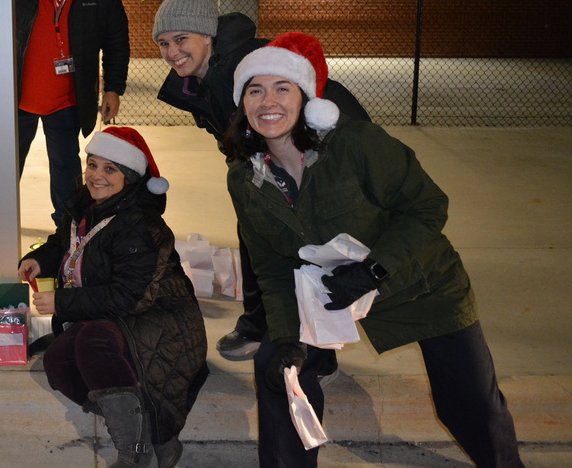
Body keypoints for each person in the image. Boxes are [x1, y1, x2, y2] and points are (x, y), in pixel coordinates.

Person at [224, 32, 524, 467]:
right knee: (278, 370)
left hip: (419, 284)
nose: (268, 101)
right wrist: (288, 339)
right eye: (255, 90)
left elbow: (426, 207)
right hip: (330, 292)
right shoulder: (245, 179)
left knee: (470, 403)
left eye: (281, 88)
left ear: (307, 99)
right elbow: (270, 266)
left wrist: (374, 271)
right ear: (243, 105)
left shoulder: (356, 143)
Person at [152, 0, 370, 362]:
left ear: (207, 36)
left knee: (300, 248)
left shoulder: (244, 68)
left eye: (181, 39)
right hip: (268, 161)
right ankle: (260, 326)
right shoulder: (201, 81)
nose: (172, 52)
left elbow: (307, 112)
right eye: (163, 43)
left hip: (319, 158)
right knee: (257, 238)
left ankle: (315, 353)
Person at [19, 126, 209, 468]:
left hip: (159, 316)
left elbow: (131, 295)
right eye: (92, 165)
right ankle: (145, 431)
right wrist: (40, 259)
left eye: (110, 169)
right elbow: (65, 242)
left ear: (131, 177)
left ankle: (134, 451)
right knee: (58, 363)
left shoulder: (138, 225)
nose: (96, 176)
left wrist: (62, 303)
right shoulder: (84, 206)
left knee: (93, 342)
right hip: (110, 310)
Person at [0, 0, 130, 238]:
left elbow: (117, 41)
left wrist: (113, 88)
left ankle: (66, 225)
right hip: (16, 95)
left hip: (65, 99)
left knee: (66, 168)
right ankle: (1, 213)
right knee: (10, 160)